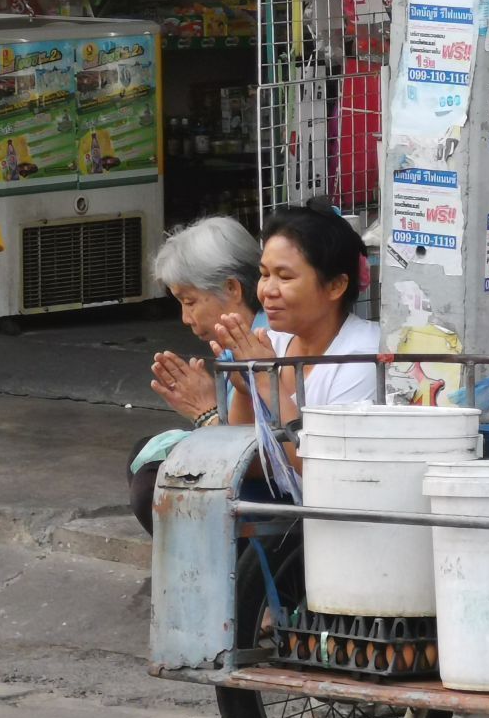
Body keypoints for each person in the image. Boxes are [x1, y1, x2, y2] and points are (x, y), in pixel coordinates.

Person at [126, 216, 265, 532]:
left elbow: (252, 449)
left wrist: (207, 414)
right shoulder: (235, 342)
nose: (186, 318)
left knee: (152, 483)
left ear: (232, 288)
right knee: (147, 454)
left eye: (190, 302)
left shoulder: (264, 339)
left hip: (265, 478)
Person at [209, 198, 380, 423]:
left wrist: (264, 380)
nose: (267, 290)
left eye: (285, 276)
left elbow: (320, 458)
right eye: (265, 274)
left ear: (335, 285)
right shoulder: (272, 342)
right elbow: (242, 453)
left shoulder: (363, 356)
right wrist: (244, 389)